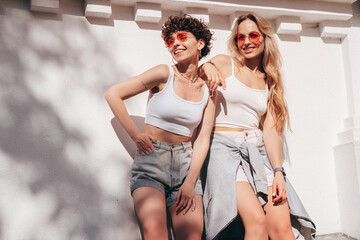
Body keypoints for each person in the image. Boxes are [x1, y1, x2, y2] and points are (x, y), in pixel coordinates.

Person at [201, 13, 316, 240]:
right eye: (240, 38)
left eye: (253, 35)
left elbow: (271, 132)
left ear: (264, 38)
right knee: (256, 221)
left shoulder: (270, 80)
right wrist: (206, 67)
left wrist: (278, 172)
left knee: (282, 229)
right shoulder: (226, 63)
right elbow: (199, 74)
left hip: (257, 151)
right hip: (224, 151)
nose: (246, 42)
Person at [105, 15, 216, 240]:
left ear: (200, 44)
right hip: (151, 163)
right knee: (155, 234)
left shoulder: (209, 90)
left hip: (187, 166)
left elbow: (203, 138)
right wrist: (136, 135)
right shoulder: (164, 73)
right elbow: (113, 94)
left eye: (182, 37)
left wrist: (190, 181)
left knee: (192, 237)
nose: (175, 43)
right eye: (170, 40)